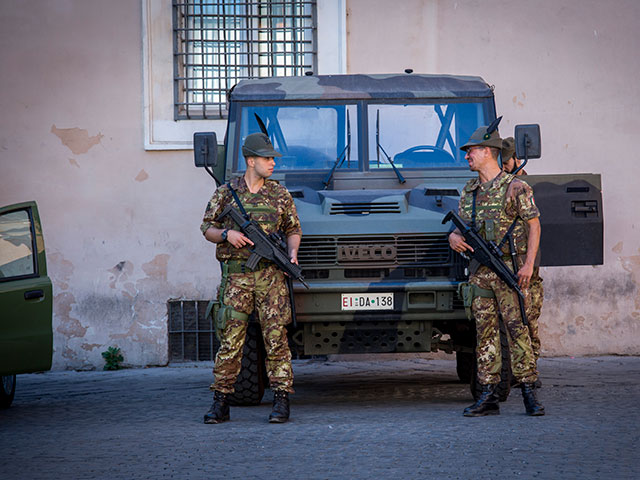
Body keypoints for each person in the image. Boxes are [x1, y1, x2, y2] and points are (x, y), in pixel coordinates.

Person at [200, 132, 302, 424]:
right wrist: (226, 234)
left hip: (271, 279)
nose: (272, 163)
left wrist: (292, 254)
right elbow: (207, 228)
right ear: (250, 160)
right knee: (231, 342)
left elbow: (293, 229)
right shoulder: (225, 193)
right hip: (236, 280)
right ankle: (221, 402)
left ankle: (281, 401)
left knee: (276, 340)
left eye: (272, 158)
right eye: (267, 158)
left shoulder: (279, 195)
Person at [449, 125, 545, 416]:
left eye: (472, 151)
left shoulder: (516, 187)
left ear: (489, 152)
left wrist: (528, 264)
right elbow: (460, 226)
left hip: (510, 269)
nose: (467, 156)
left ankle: (529, 390)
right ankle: (488, 395)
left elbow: (534, 225)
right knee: (485, 334)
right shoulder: (471, 191)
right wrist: (453, 237)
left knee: (518, 330)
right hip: (481, 272)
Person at [502, 137, 543, 366]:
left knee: (529, 317)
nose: (504, 165)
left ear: (517, 159)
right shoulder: (498, 185)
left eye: (507, 161)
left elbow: (535, 225)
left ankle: (530, 368)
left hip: (527, 266)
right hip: (506, 265)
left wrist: (529, 264)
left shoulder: (527, 186)